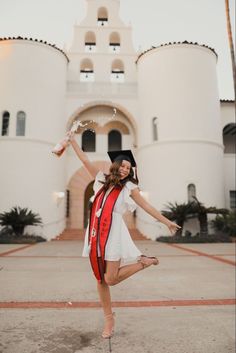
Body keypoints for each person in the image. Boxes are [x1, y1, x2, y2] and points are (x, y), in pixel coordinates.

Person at [69, 133, 181, 339]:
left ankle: (143, 262)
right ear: (116, 165)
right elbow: (84, 159)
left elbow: (145, 205)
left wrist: (166, 222)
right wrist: (71, 141)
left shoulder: (129, 187)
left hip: (113, 235)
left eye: (128, 169)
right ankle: (109, 319)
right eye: (122, 166)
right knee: (100, 280)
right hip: (95, 233)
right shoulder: (101, 179)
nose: (125, 169)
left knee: (110, 279)